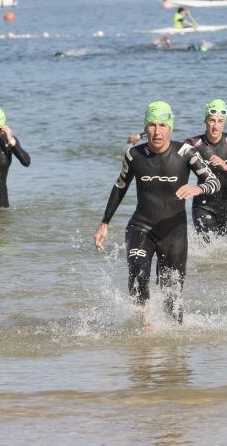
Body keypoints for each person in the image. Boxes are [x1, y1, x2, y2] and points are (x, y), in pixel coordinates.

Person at [93, 101, 220, 324]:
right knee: (138, 276)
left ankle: (174, 352)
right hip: (141, 226)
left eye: (162, 125)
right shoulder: (134, 155)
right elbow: (120, 186)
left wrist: (198, 187)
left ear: (170, 128)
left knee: (173, 301)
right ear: (146, 128)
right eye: (151, 125)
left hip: (174, 232)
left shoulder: (185, 152)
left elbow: (213, 181)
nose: (157, 131)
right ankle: (146, 324)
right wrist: (105, 223)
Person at [184, 99, 227, 239]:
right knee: (208, 247)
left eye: (220, 121)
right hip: (203, 205)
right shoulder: (192, 144)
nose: (216, 126)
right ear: (205, 121)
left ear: (225, 122)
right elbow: (172, 154)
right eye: (212, 120)